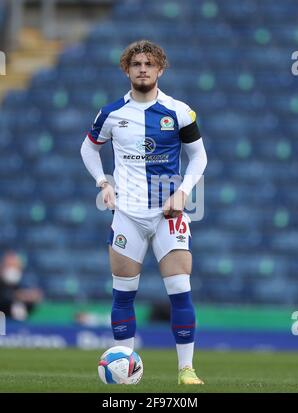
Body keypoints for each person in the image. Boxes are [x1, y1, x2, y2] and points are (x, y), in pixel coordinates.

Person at [81, 40, 207, 384]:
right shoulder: (110, 113)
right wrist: (102, 183)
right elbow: (88, 149)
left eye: (149, 64)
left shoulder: (178, 111)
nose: (142, 69)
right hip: (127, 215)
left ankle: (186, 369)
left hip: (170, 215)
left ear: (160, 69)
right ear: (127, 69)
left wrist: (182, 192)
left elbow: (199, 157)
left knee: (180, 290)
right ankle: (124, 368)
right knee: (123, 293)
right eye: (136, 64)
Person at [0, 251, 43, 321]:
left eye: (15, 266)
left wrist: (31, 297)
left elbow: (31, 303)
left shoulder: (24, 283)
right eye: (9, 265)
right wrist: (16, 296)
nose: (12, 269)